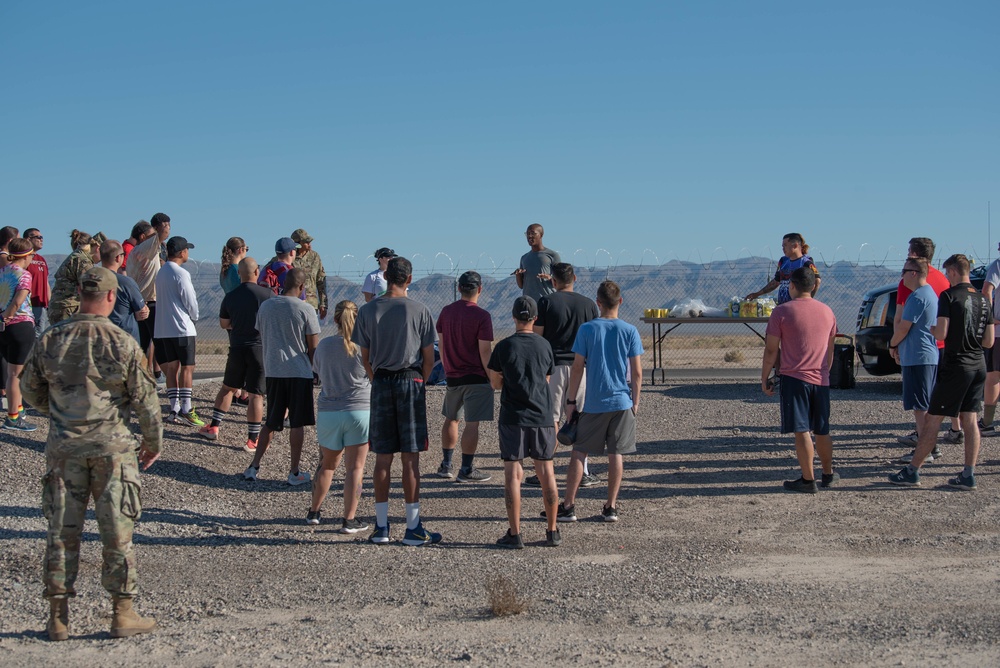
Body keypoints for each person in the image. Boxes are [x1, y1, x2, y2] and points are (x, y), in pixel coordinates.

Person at [20, 266, 161, 641]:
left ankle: (58, 617)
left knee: (62, 533)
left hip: (65, 451)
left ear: (81, 293)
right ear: (112, 297)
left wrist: (62, 412)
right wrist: (153, 442)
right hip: (112, 450)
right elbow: (146, 402)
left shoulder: (52, 338)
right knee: (117, 533)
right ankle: (122, 613)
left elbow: (29, 390)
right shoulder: (122, 342)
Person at [352, 256, 441, 546]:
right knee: (411, 457)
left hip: (381, 381)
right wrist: (419, 381)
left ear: (386, 277)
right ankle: (413, 527)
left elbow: (364, 357)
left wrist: (377, 377)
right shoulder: (420, 310)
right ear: (409, 279)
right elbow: (429, 359)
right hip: (410, 380)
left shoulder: (367, 311)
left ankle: (381, 527)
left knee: (382, 456)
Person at [889, 254, 994, 491]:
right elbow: (988, 341)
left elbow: (941, 334)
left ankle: (912, 470)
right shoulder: (983, 299)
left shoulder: (948, 296)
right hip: (978, 364)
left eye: (948, 273)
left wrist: (934, 328)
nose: (947, 277)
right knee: (969, 419)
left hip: (957, 364)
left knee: (933, 418)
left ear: (954, 272)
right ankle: (968, 474)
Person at [548, 281, 643, 520]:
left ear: (598, 303)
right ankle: (610, 506)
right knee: (616, 454)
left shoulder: (588, 330)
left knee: (579, 452)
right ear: (620, 301)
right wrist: (635, 401)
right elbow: (637, 372)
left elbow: (578, 367)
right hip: (622, 401)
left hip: (594, 403)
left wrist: (571, 402)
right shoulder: (630, 331)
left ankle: (568, 506)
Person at [487, 296, 561, 549]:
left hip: (513, 417)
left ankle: (515, 533)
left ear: (513, 317)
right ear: (535, 318)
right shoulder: (545, 346)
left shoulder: (504, 347)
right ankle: (552, 530)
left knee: (512, 473)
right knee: (546, 471)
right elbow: (547, 379)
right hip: (541, 416)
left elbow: (495, 383)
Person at [761, 267, 839, 493]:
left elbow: (771, 350)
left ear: (792, 286)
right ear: (813, 286)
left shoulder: (781, 312)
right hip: (820, 378)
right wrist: (824, 371)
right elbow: (830, 349)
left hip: (794, 378)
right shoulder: (828, 312)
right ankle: (828, 473)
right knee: (822, 429)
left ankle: (808, 479)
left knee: (802, 428)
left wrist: (765, 376)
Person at [243, 268, 320, 485]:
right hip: (299, 372)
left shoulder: (266, 306)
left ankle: (254, 466)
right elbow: (313, 346)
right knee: (297, 423)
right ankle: (294, 471)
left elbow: (261, 332)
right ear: (302, 287)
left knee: (271, 421)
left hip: (274, 371)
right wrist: (317, 370)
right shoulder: (306, 309)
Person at [527, 261, 600, 488]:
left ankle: (545, 469)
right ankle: (583, 471)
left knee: (551, 419)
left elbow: (537, 338)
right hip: (582, 367)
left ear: (553, 280)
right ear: (574, 279)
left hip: (554, 368)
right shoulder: (589, 305)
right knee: (580, 418)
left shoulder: (546, 302)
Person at [307, 300, 371, 532]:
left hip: (329, 412)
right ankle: (349, 519)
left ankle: (314, 512)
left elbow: (318, 374)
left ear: (335, 319)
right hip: (359, 411)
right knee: (355, 468)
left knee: (327, 465)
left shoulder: (323, 346)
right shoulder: (364, 347)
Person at [893, 237, 963, 445]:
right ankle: (955, 427)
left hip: (919, 347)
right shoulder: (943, 279)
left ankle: (924, 438)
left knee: (921, 400)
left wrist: (895, 343)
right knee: (943, 389)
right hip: (942, 342)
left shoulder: (910, 282)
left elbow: (900, 317)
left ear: (914, 255)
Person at [199, 257, 271, 451]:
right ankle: (252, 440)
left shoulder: (230, 296)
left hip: (237, 347)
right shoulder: (268, 295)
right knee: (256, 395)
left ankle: (214, 427)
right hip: (259, 349)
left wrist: (238, 324)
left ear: (239, 274)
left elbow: (224, 324)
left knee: (228, 388)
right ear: (257, 272)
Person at [432, 270, 494, 483]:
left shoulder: (446, 312)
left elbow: (441, 343)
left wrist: (448, 367)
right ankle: (466, 468)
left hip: (453, 375)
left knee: (452, 418)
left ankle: (447, 464)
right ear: (480, 289)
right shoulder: (482, 316)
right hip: (475, 375)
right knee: (472, 423)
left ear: (459, 288)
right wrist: (491, 376)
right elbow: (485, 351)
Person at [889, 258, 941, 462]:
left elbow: (903, 326)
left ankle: (925, 449)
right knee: (921, 405)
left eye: (904, 270)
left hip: (919, 357)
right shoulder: (924, 294)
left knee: (921, 407)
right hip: (920, 356)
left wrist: (892, 344)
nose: (901, 275)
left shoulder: (919, 297)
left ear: (914, 273)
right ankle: (929, 446)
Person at [154, 236, 203, 427]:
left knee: (172, 368)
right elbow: (189, 300)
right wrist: (195, 316)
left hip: (163, 328)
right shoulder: (181, 273)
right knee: (187, 367)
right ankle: (186, 408)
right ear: (182, 252)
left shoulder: (161, 272)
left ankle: (173, 408)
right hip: (182, 328)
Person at [1, 238, 38, 431]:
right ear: (27, 255)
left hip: (4, 329)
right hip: (20, 325)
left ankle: (19, 408)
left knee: (10, 372)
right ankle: (13, 418)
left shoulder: (1, 272)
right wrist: (7, 316)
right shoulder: (24, 275)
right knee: (17, 375)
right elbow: (18, 301)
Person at [127, 213, 171, 373]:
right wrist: (163, 223)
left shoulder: (135, 253)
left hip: (141, 302)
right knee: (160, 343)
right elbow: (163, 234)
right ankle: (172, 380)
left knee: (143, 343)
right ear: (143, 236)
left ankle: (136, 377)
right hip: (151, 302)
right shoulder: (146, 247)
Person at [745, 232, 821, 305]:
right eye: (782, 246)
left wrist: (808, 300)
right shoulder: (783, 261)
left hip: (797, 306)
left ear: (795, 245)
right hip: (783, 305)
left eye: (785, 245)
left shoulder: (806, 263)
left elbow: (817, 281)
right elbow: (776, 281)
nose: (783, 248)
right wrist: (758, 293)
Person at [100, 240, 148, 343]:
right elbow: (142, 310)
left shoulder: (89, 280)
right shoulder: (126, 282)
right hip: (124, 341)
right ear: (118, 258)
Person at [48, 230, 94, 324]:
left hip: (58, 307)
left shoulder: (74, 257)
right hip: (69, 308)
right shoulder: (82, 260)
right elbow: (88, 286)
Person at [979, 241, 1000, 432]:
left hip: (999, 333)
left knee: (993, 376)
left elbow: (987, 290)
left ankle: (987, 422)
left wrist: (990, 317)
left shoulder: (998, 265)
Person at [515, 224, 561, 302]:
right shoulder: (524, 258)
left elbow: (560, 281)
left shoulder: (552, 255)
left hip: (548, 302)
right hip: (529, 304)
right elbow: (521, 285)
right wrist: (518, 275)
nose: (529, 236)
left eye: (533, 233)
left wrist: (549, 278)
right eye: (527, 233)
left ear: (541, 235)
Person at [291, 228, 328, 320]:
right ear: (298, 244)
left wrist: (323, 304)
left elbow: (321, 281)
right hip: (293, 305)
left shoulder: (315, 257)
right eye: (306, 242)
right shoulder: (289, 257)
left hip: (311, 306)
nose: (309, 245)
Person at [24, 228, 50, 336]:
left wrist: (49, 303)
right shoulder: (24, 258)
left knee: (40, 335)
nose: (41, 240)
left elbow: (46, 282)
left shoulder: (41, 259)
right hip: (28, 305)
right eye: (38, 237)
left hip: (42, 305)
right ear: (28, 239)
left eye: (42, 237)